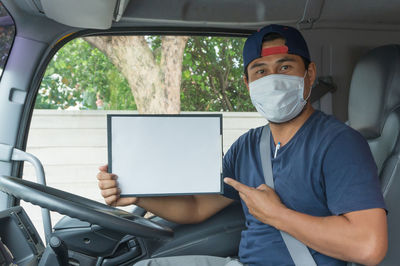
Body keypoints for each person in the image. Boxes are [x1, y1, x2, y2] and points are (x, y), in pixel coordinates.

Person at [97, 24, 388, 266]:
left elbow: (369, 246)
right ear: (248, 85)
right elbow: (197, 206)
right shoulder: (248, 145)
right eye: (260, 71)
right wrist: (136, 194)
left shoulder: (340, 144)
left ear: (309, 74)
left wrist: (277, 215)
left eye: (285, 66)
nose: (273, 79)